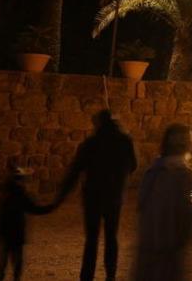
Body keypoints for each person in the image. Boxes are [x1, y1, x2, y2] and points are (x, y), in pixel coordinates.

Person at [55, 110, 139, 281]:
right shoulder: (125, 141)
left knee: (91, 240)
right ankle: (111, 276)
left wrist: (60, 196)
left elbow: (75, 170)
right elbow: (134, 165)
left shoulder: (91, 143)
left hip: (93, 197)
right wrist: (119, 178)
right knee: (111, 237)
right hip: (114, 196)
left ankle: (87, 277)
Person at [130, 124, 192, 281]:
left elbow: (142, 207)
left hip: (151, 248)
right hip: (170, 251)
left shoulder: (152, 173)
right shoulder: (187, 177)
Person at [0, 166, 53, 281]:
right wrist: (51, 207)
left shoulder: (3, 193)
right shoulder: (21, 195)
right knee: (16, 266)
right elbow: (35, 209)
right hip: (16, 235)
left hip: (3, 235)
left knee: (1, 267)